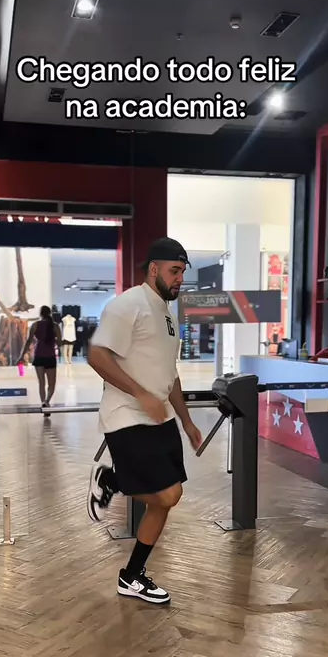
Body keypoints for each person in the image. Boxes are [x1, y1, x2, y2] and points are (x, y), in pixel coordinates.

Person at [87, 237, 203, 605]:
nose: (180, 278)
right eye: (174, 270)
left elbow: (170, 374)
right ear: (154, 269)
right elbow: (97, 356)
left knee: (169, 498)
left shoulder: (168, 314)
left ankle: (132, 576)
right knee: (166, 493)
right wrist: (141, 394)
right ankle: (111, 480)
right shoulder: (128, 304)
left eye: (183, 271)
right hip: (127, 415)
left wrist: (187, 421)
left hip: (160, 417)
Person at [20, 306, 62, 414]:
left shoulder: (35, 325)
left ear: (41, 314)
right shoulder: (55, 326)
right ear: (50, 313)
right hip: (50, 356)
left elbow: (28, 341)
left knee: (41, 383)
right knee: (51, 384)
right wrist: (55, 341)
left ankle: (43, 401)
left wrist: (21, 356)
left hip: (39, 356)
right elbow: (60, 343)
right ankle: (47, 401)